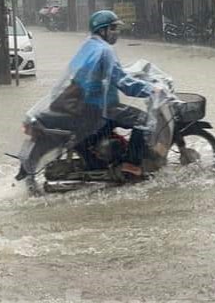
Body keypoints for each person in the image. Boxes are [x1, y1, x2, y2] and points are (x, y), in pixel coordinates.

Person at [65, 10, 155, 178]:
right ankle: (131, 165)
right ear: (102, 30)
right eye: (113, 28)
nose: (116, 32)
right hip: (102, 107)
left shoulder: (89, 46)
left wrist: (133, 74)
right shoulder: (105, 51)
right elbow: (123, 83)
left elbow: (104, 73)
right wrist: (151, 90)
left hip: (84, 105)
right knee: (145, 120)